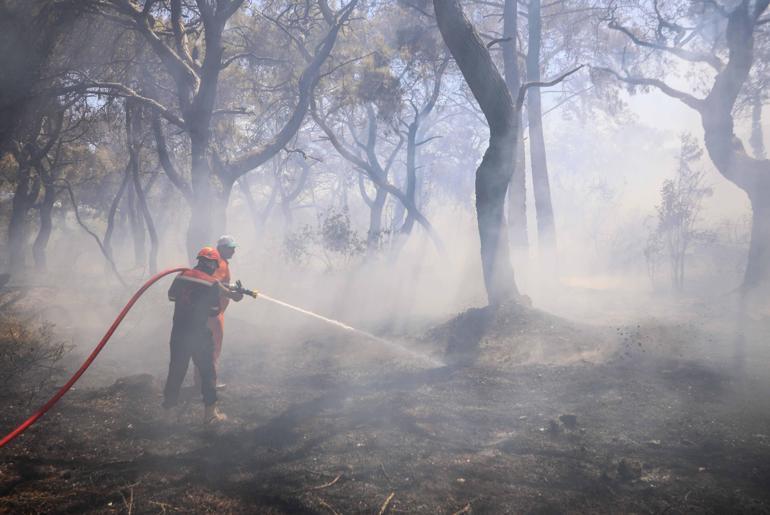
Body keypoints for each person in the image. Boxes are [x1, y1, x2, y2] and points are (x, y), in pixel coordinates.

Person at [164, 247, 227, 424]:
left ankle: (168, 413)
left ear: (199, 260)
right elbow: (214, 312)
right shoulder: (213, 283)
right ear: (214, 264)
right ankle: (210, 414)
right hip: (199, 334)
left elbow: (171, 296)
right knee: (207, 373)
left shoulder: (182, 275)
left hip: (179, 333)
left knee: (176, 371)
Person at [204, 235, 243, 387]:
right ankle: (210, 384)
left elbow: (218, 282)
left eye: (234, 247)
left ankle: (200, 382)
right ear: (221, 248)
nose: (233, 250)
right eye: (230, 248)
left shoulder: (217, 262)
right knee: (213, 348)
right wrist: (232, 295)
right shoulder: (220, 263)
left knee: (205, 347)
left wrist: (231, 287)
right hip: (214, 313)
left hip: (208, 311)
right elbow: (214, 284)